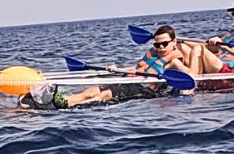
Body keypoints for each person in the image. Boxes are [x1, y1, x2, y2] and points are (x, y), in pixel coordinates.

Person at [41, 25, 194, 108]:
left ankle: (69, 106)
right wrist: (117, 68)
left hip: (143, 88)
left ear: (174, 42)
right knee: (92, 90)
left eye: (164, 44)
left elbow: (189, 73)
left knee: (105, 95)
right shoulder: (152, 54)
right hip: (129, 80)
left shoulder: (174, 61)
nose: (160, 47)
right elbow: (137, 68)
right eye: (157, 44)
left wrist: (180, 77)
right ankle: (63, 101)